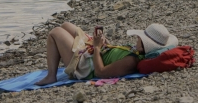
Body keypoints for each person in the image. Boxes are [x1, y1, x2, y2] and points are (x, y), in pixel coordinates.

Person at [35, 22, 178, 85]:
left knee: (55, 32)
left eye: (141, 38)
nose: (137, 38)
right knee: (66, 25)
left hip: (84, 66)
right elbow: (113, 56)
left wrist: (97, 48)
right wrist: (105, 45)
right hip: (93, 53)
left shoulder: (131, 61)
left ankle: (51, 76)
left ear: (146, 44)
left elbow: (101, 72)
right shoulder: (136, 52)